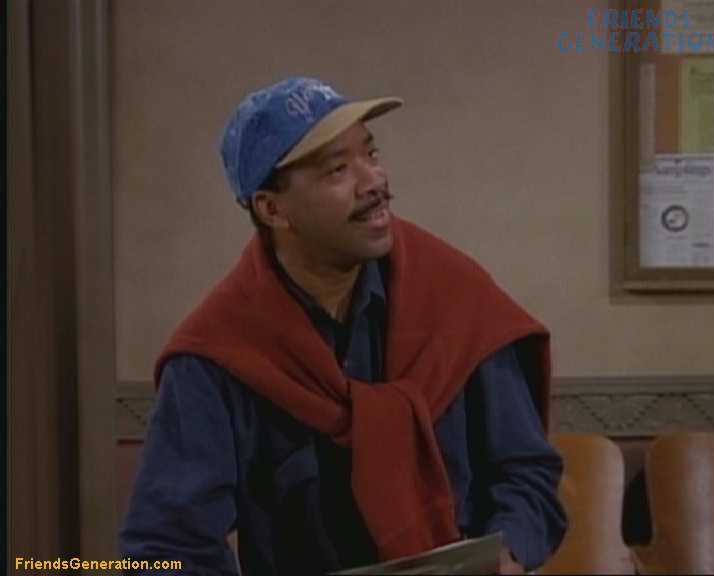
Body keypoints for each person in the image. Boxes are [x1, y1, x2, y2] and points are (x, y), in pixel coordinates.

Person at [119, 77, 567, 575]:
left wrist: (508, 554)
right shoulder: (217, 353)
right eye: (337, 169)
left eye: (370, 153)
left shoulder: (455, 296)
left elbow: (527, 474)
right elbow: (167, 545)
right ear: (272, 209)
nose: (373, 181)